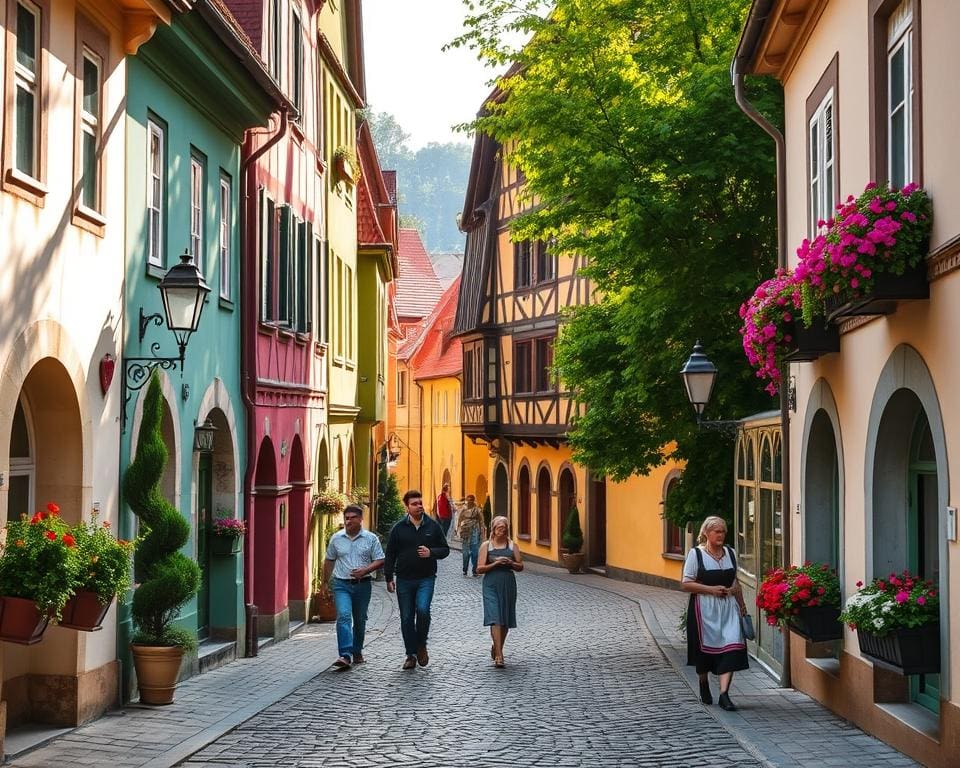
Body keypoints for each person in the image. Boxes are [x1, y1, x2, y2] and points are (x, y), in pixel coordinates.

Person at [681, 516, 749, 711]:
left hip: (728, 609)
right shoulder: (696, 555)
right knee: (704, 653)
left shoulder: (730, 553)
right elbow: (686, 584)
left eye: (723, 531)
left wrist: (741, 605)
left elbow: (735, 582)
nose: (721, 535)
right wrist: (711, 590)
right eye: (717, 531)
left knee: (732, 647)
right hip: (704, 608)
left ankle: (724, 694)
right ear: (706, 533)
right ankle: (703, 683)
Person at [384, 489, 450, 670]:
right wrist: (389, 577)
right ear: (407, 507)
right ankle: (410, 654)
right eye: (414, 504)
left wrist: (431, 553)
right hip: (404, 579)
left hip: (426, 578)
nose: (419, 506)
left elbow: (445, 549)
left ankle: (421, 644)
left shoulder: (432, 526)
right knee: (406, 618)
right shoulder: (399, 528)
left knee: (422, 610)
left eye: (420, 503)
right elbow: (390, 554)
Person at [322, 504, 385, 670]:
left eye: (352, 518)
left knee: (360, 620)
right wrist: (324, 583)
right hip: (341, 584)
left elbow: (380, 559)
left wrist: (365, 570)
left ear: (360, 519)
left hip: (362, 586)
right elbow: (329, 560)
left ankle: (357, 650)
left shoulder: (371, 539)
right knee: (343, 615)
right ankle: (345, 654)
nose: (348, 521)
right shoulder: (336, 538)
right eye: (346, 518)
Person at [477, 515, 523, 668]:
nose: (501, 530)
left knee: (505, 619)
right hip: (491, 584)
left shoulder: (512, 545)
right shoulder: (486, 546)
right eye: (499, 528)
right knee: (495, 617)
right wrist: (495, 564)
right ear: (494, 529)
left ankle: (497, 647)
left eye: (504, 528)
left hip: (508, 583)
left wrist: (511, 563)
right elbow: (479, 568)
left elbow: (520, 566)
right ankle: (499, 655)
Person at [456, 494, 485, 577]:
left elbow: (481, 521)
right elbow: (459, 520)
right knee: (465, 553)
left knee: (475, 553)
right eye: (468, 500)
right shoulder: (463, 510)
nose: (469, 502)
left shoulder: (477, 510)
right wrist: (458, 530)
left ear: (473, 501)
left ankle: (475, 570)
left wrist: (482, 533)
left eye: (471, 500)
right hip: (465, 533)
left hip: (475, 532)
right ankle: (465, 569)